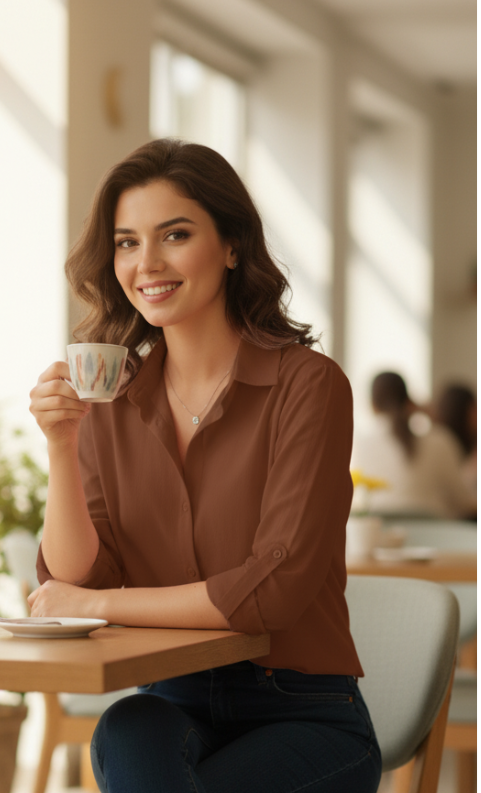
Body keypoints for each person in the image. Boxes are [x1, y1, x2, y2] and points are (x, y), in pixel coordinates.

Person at [28, 139, 381, 793]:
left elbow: (273, 591)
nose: (147, 263)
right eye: (127, 242)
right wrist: (60, 445)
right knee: (127, 728)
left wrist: (96, 603)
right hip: (174, 698)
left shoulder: (308, 385)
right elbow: (80, 571)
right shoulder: (110, 401)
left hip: (304, 710)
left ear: (232, 245)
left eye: (175, 234)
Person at [352, 372, 476, 519]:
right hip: (439, 534)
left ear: (372, 405)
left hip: (381, 532)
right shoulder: (440, 440)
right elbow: (464, 503)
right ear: (409, 401)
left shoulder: (358, 444)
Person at [434, 383, 477, 509]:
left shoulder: (436, 439)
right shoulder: (443, 443)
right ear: (469, 411)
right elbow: (464, 501)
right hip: (454, 520)